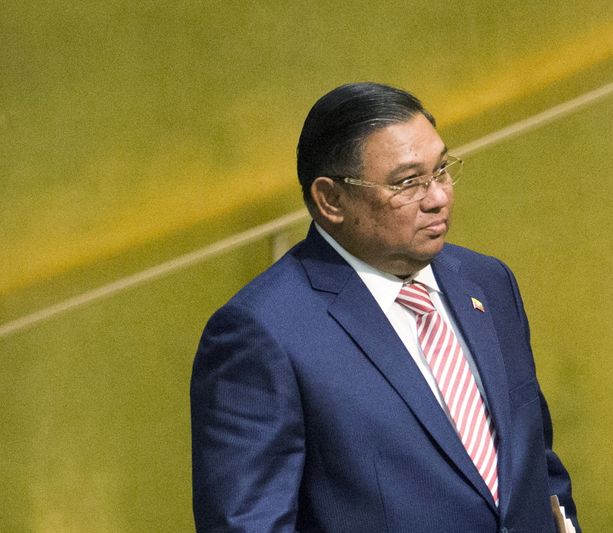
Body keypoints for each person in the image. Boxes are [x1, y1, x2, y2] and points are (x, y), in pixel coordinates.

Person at [190, 82, 580, 532]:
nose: (437, 197)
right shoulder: (262, 332)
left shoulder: (488, 282)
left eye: (442, 170)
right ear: (330, 199)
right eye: (408, 182)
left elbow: (536, 465)